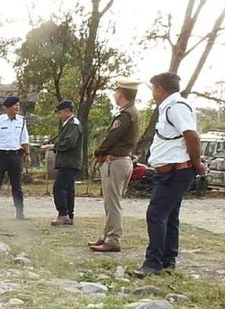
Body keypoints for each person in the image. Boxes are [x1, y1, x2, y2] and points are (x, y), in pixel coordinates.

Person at [132, 72, 207, 278]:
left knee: (155, 215)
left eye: (153, 89)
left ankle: (153, 263)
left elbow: (191, 136)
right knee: (170, 216)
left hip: (176, 171)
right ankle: (167, 260)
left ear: (159, 89)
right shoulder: (169, 107)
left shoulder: (176, 107)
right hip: (169, 172)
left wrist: (197, 163)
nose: (152, 93)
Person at [89, 78, 141, 252]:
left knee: (112, 203)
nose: (114, 95)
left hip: (116, 162)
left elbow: (112, 138)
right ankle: (106, 235)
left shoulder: (125, 115)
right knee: (110, 202)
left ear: (121, 93)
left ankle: (113, 239)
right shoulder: (132, 112)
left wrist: (97, 152)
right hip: (122, 161)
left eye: (116, 91)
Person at [0, 96, 30, 220]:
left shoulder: (22, 121)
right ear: (8, 107)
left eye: (18, 105)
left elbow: (24, 139)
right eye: (14, 105)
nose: (17, 107)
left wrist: (27, 153)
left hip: (15, 155)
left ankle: (20, 213)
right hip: (0, 156)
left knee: (17, 186)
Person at [41, 100, 82, 226]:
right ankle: (69, 215)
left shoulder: (73, 124)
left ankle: (63, 214)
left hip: (69, 162)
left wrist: (54, 146)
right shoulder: (68, 124)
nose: (59, 116)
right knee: (68, 189)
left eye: (60, 113)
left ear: (67, 111)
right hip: (68, 161)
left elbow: (69, 143)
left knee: (59, 188)